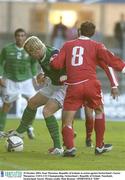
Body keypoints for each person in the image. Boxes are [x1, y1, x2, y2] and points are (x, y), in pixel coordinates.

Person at [50, 21, 125, 157]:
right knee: (99, 111)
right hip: (91, 84)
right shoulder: (97, 46)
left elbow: (56, 65)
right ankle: (99, 146)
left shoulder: (67, 45)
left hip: (73, 86)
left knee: (67, 119)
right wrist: (122, 68)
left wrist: (53, 57)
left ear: (79, 31)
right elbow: (109, 59)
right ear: (93, 33)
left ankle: (70, 148)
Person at [7, 36, 66, 155]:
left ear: (36, 50)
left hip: (65, 87)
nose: (30, 55)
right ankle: (20, 132)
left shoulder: (53, 54)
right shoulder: (42, 55)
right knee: (32, 102)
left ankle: (58, 147)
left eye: (30, 52)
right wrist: (43, 75)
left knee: (47, 111)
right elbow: (50, 69)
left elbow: (65, 65)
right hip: (53, 84)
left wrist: (65, 75)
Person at [0, 28, 38, 139]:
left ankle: (29, 127)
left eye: (22, 35)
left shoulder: (30, 49)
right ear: (15, 37)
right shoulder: (7, 49)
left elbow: (33, 64)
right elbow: (1, 63)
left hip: (26, 80)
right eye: (18, 35)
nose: (20, 37)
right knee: (7, 105)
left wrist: (35, 77)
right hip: (11, 80)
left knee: (33, 103)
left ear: (25, 37)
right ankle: (1, 129)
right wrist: (1, 76)